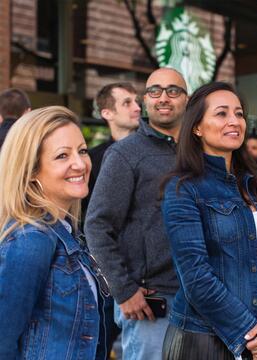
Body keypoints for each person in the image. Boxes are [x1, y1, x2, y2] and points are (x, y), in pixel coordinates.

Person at [161, 82, 257, 360]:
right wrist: (253, 335)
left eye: (239, 113)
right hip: (203, 340)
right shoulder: (183, 189)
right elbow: (196, 277)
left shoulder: (256, 185)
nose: (235, 121)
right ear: (197, 127)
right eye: (222, 114)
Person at [85, 67, 188, 360]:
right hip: (151, 304)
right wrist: (124, 290)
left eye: (173, 91)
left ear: (187, 99)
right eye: (154, 91)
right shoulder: (125, 153)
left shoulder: (199, 154)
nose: (163, 98)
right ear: (146, 100)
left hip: (200, 299)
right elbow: (96, 225)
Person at [0, 106, 107, 359]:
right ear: (32, 171)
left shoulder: (67, 233)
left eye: (82, 151)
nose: (80, 164)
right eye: (62, 156)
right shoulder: (31, 240)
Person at [85, 83, 141, 359]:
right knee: (99, 343)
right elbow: (88, 218)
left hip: (148, 276)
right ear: (107, 112)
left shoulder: (156, 152)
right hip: (104, 273)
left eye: (136, 101)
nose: (137, 107)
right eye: (127, 102)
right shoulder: (91, 160)